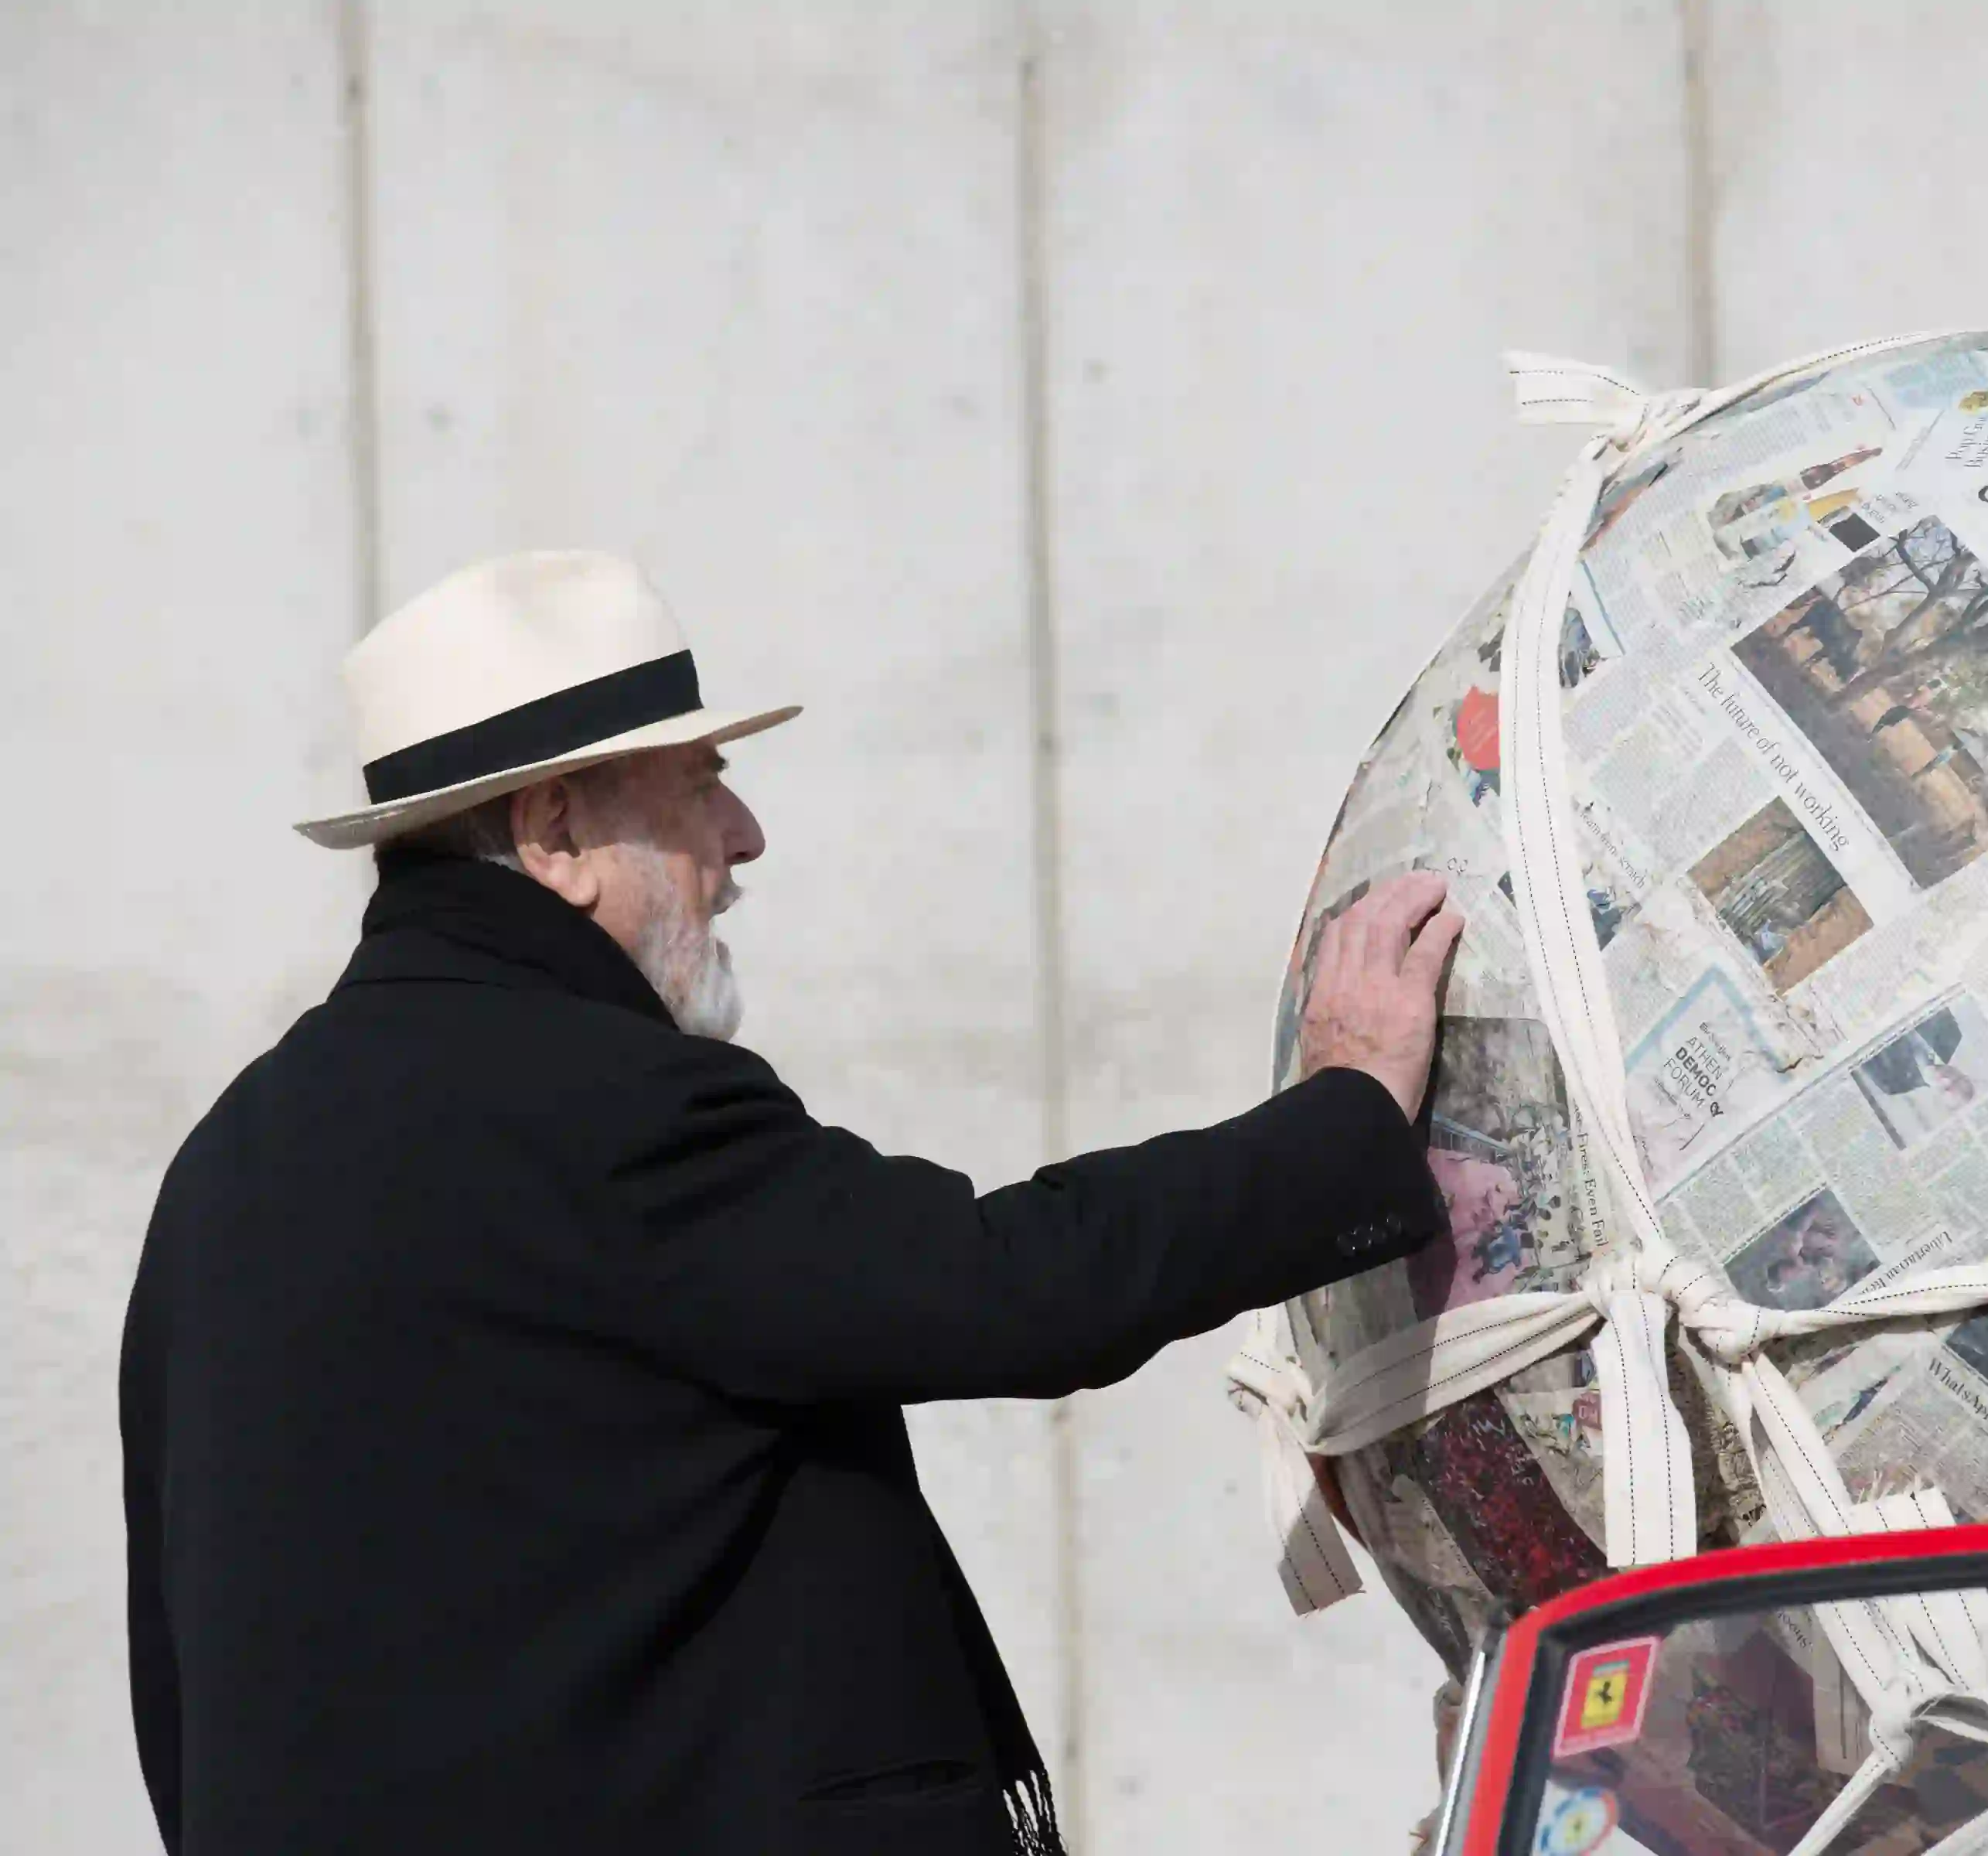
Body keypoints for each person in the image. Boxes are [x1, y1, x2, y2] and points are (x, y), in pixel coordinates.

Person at [120, 553, 1465, 1856]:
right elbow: (1009, 1288)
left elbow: (182, 1688)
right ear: (558, 834)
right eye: (702, 784)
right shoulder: (598, 1108)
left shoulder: (225, 1168)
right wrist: (1342, 1112)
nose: (743, 838)